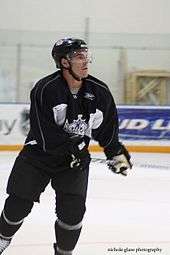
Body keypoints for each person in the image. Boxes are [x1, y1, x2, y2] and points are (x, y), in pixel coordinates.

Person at [0, 37, 132, 255]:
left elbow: (106, 130)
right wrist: (73, 151)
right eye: (80, 57)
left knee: (73, 214)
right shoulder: (46, 89)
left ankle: (63, 253)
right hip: (37, 158)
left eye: (87, 56)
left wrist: (116, 153)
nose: (86, 61)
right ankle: (3, 238)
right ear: (64, 62)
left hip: (74, 163)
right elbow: (45, 134)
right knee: (17, 205)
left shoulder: (99, 92)